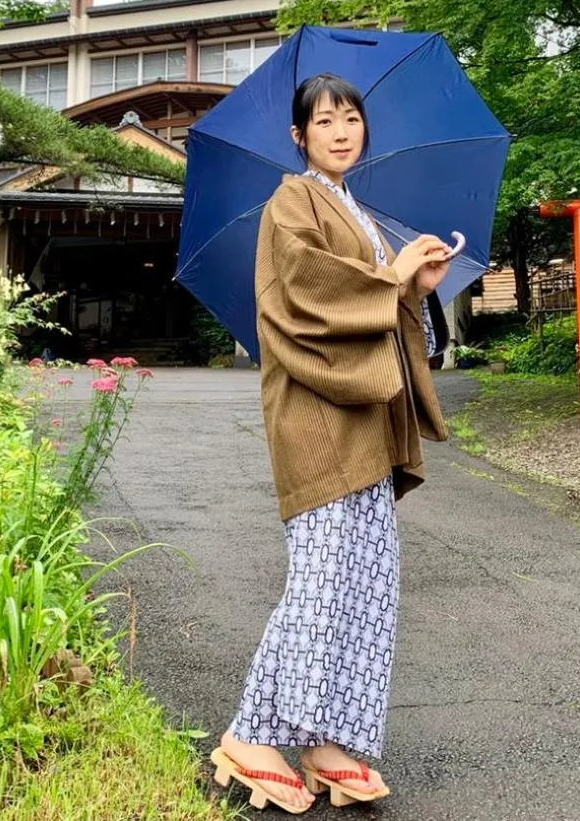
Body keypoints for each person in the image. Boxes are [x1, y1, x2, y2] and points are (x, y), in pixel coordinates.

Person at [210, 72, 453, 813]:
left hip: (363, 414)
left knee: (363, 581)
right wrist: (392, 275)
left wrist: (411, 283)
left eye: (351, 118)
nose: (342, 131)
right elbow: (313, 292)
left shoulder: (356, 210)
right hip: (318, 412)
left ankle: (323, 743)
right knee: (320, 580)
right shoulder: (293, 201)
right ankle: (250, 736)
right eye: (324, 121)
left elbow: (371, 294)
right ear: (299, 136)